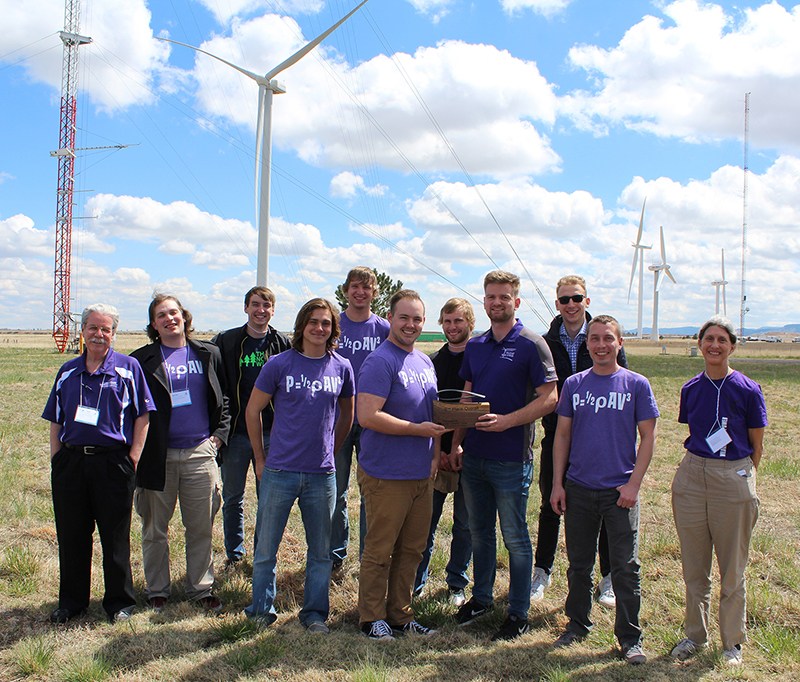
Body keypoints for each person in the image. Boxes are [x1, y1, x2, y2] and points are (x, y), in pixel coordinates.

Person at [451, 270, 558, 641]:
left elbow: (550, 397)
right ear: (484, 301)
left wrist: (509, 421)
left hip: (512, 458)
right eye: (491, 297)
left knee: (514, 537)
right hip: (475, 457)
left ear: (516, 300)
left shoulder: (532, 344)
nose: (498, 302)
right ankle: (481, 598)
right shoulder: (477, 345)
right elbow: (467, 396)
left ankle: (517, 611)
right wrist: (456, 443)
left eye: (504, 297)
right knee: (479, 533)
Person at [550, 315, 658, 665]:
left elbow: (648, 438)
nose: (600, 345)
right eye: (594, 339)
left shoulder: (636, 384)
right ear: (587, 344)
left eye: (608, 339)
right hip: (579, 488)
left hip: (619, 492)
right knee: (579, 564)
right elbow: (561, 436)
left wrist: (633, 484)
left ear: (619, 343)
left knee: (626, 567)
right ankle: (577, 624)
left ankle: (630, 636)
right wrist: (557, 484)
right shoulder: (574, 385)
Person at [244, 299, 354, 632]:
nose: (319, 328)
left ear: (333, 329)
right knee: (266, 548)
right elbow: (252, 411)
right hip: (280, 471)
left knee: (320, 551)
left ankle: (314, 613)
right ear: (301, 325)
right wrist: (260, 460)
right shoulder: (279, 364)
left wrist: (332, 449)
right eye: (313, 322)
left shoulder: (342, 367)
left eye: (326, 323)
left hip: (323, 476)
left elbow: (348, 414)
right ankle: (261, 611)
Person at [43, 303, 154, 624]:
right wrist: (57, 458)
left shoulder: (129, 368)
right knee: (72, 534)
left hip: (113, 465)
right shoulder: (67, 372)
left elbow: (143, 416)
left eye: (106, 329)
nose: (99, 335)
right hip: (72, 464)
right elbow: (55, 418)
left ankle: (119, 603)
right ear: (82, 331)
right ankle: (72, 602)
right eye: (93, 328)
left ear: (114, 334)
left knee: (114, 536)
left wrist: (132, 458)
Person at [669, 316, 767, 667]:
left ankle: (732, 643)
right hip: (693, 474)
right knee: (695, 568)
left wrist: (741, 477)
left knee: (732, 569)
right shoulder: (690, 388)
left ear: (732, 346)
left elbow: (756, 443)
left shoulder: (747, 389)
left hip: (733, 474)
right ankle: (695, 635)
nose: (714, 345)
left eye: (722, 340)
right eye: (708, 339)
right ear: (699, 345)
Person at [131, 293, 230, 612]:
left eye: (174, 313)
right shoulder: (141, 360)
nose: (169, 318)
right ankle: (157, 589)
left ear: (184, 317)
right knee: (155, 528)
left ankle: (201, 588)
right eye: (162, 315)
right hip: (156, 456)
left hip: (200, 452)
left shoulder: (208, 353)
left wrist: (217, 439)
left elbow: (224, 399)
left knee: (201, 526)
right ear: (154, 325)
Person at [357, 290, 446, 640]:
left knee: (412, 550)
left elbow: (433, 413)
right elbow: (367, 415)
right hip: (386, 473)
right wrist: (417, 431)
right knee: (380, 550)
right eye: (404, 317)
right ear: (390, 318)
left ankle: (401, 615)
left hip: (421, 472)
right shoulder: (381, 361)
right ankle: (371, 617)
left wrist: (435, 451)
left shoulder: (423, 362)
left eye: (417, 319)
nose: (411, 324)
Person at [532, 276, 626, 607]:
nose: (571, 304)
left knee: (603, 508)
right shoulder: (544, 343)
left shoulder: (603, 338)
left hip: (596, 441)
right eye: (564, 299)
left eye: (577, 298)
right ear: (557, 304)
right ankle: (541, 571)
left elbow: (620, 383)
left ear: (587, 301)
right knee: (550, 503)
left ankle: (609, 578)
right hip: (556, 436)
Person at [213, 286, 290, 569]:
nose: (261, 310)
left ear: (273, 309)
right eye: (255, 304)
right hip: (235, 433)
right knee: (233, 497)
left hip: (271, 433)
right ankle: (235, 553)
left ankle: (262, 552)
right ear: (246, 308)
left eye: (266, 305)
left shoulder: (282, 343)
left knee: (267, 497)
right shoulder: (227, 341)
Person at [413, 298, 475, 607]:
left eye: (458, 321)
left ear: (470, 324)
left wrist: (458, 446)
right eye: (447, 321)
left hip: (469, 454)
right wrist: (441, 451)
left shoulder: (479, 358)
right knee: (426, 521)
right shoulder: (432, 361)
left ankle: (457, 583)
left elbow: (473, 407)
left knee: (465, 524)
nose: (452, 327)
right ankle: (417, 581)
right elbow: (430, 410)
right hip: (436, 453)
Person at [330, 267, 390, 570]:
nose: (360, 292)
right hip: (336, 418)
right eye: (354, 286)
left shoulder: (383, 329)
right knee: (335, 490)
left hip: (372, 420)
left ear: (374, 292)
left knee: (372, 492)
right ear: (345, 290)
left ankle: (370, 556)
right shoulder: (333, 324)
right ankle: (334, 555)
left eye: (366, 287)